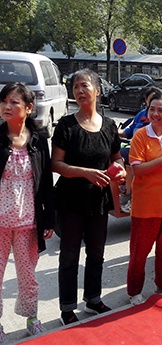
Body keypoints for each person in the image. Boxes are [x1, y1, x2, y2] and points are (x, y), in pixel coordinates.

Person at [52, 69, 126, 325]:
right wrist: (86, 173)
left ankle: (93, 299)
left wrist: (120, 171)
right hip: (71, 200)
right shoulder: (66, 125)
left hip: (98, 200)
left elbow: (116, 157)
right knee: (70, 254)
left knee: (97, 252)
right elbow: (56, 164)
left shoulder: (108, 126)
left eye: (84, 86)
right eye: (75, 87)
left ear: (97, 89)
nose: (79, 91)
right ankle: (67, 308)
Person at [0, 83, 54, 339]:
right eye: (4, 101)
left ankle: (32, 318)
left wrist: (49, 218)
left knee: (28, 276)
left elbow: (45, 183)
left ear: (28, 108)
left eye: (14, 102)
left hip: (28, 221)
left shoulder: (39, 142)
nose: (7, 106)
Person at [126, 94, 162, 305]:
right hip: (145, 207)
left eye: (161, 110)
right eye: (152, 109)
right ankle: (134, 291)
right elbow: (138, 170)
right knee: (139, 253)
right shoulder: (140, 136)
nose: (156, 114)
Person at [118, 87, 162, 213]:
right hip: (133, 148)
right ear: (146, 101)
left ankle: (129, 194)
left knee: (127, 156)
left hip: (148, 152)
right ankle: (122, 185)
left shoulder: (158, 117)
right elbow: (128, 131)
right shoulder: (140, 114)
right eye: (151, 100)